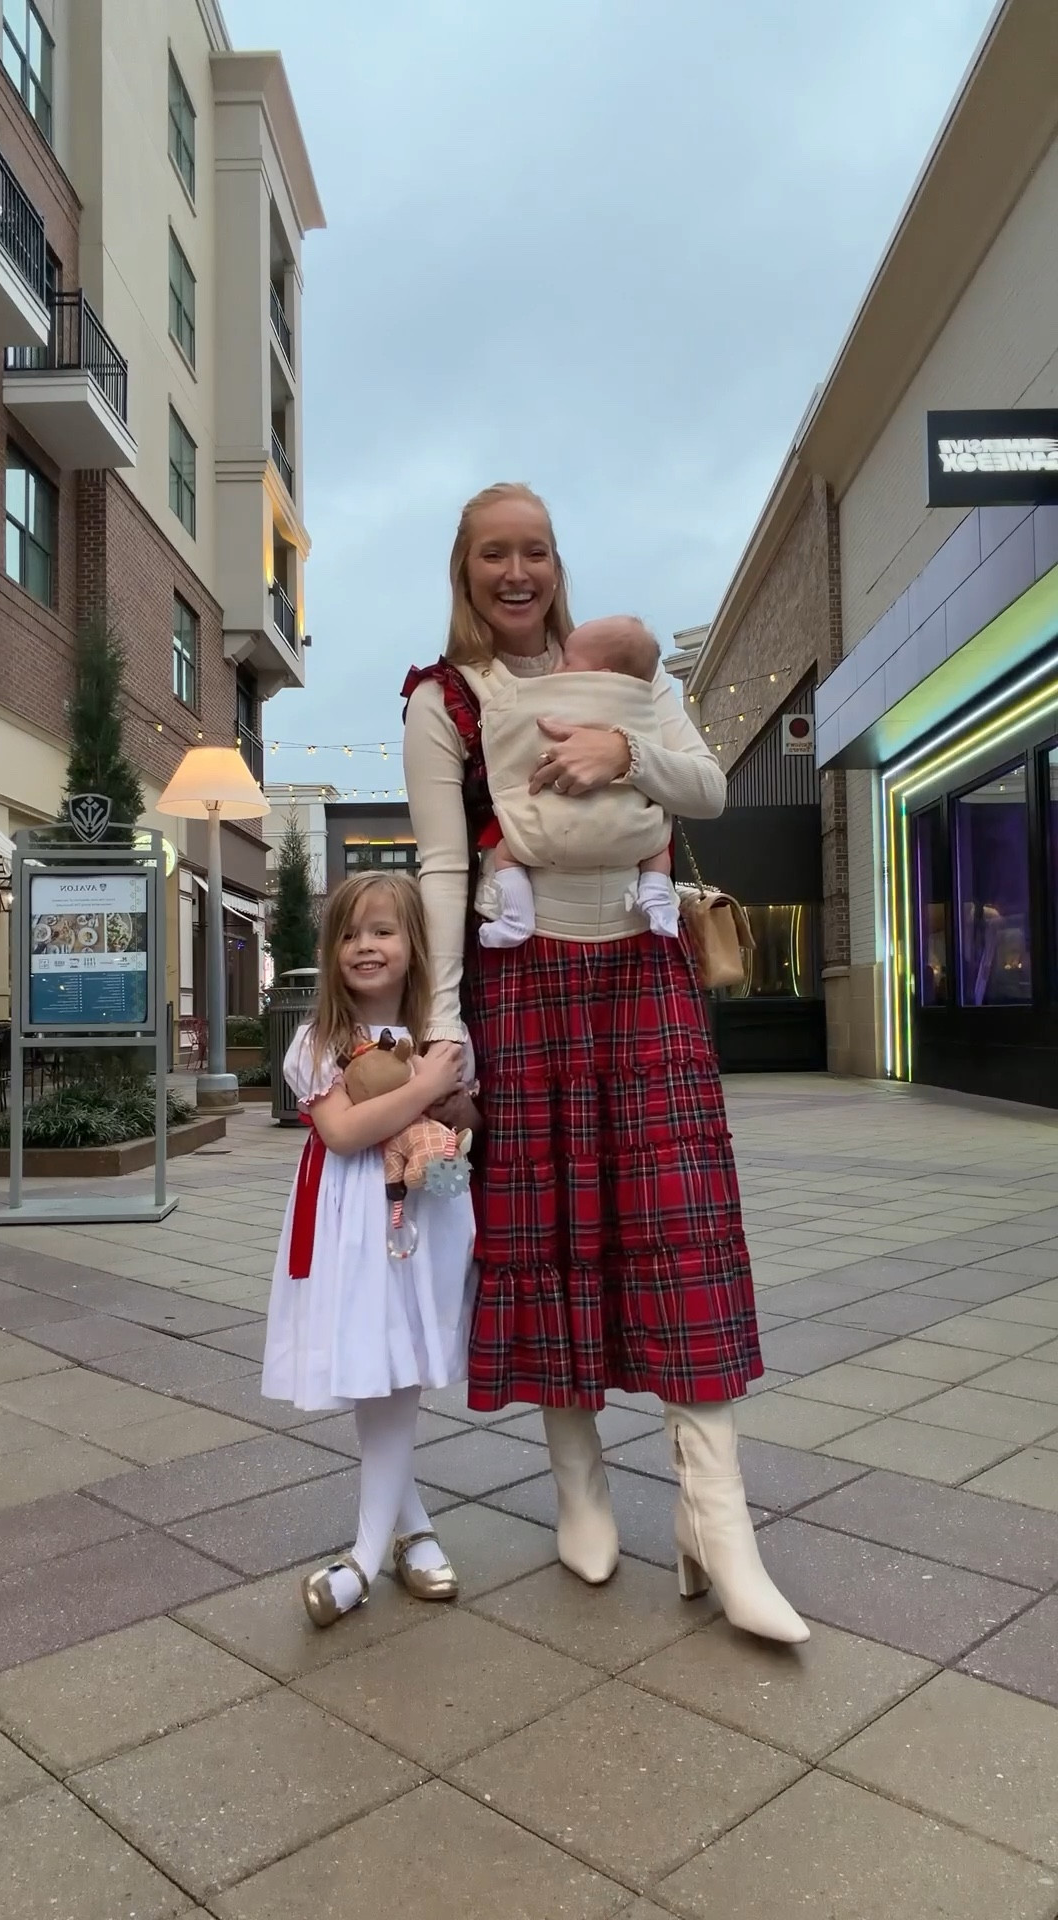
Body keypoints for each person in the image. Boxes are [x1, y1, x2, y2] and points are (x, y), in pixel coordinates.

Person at [402, 481, 808, 1644]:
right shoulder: (445, 701)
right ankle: (579, 1487)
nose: (516, 572)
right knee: (550, 1231)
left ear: (554, 561)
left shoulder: (638, 680)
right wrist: (444, 1022)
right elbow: (440, 867)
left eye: (533, 550)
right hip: (520, 984)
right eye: (493, 554)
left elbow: (712, 790)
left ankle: (716, 1521)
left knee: (679, 1227)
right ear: (465, 568)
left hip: (641, 971)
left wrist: (629, 745)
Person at [261, 870, 477, 1627]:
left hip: (423, 1216)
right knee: (377, 1369)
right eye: (349, 934)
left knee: (393, 1370)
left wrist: (450, 1104)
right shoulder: (319, 1039)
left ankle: (406, 1532)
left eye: (383, 931)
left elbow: (463, 1113)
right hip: (350, 1218)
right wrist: (423, 1087)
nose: (365, 947)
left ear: (414, 944)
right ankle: (370, 1553)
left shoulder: (446, 1037)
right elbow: (344, 1130)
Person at [478, 614, 678, 948]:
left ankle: (516, 918)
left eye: (568, 662)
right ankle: (657, 898)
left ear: (601, 677)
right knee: (659, 846)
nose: (557, 671)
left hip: (554, 833)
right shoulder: (645, 709)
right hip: (633, 833)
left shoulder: (549, 704)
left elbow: (511, 737)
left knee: (506, 853)